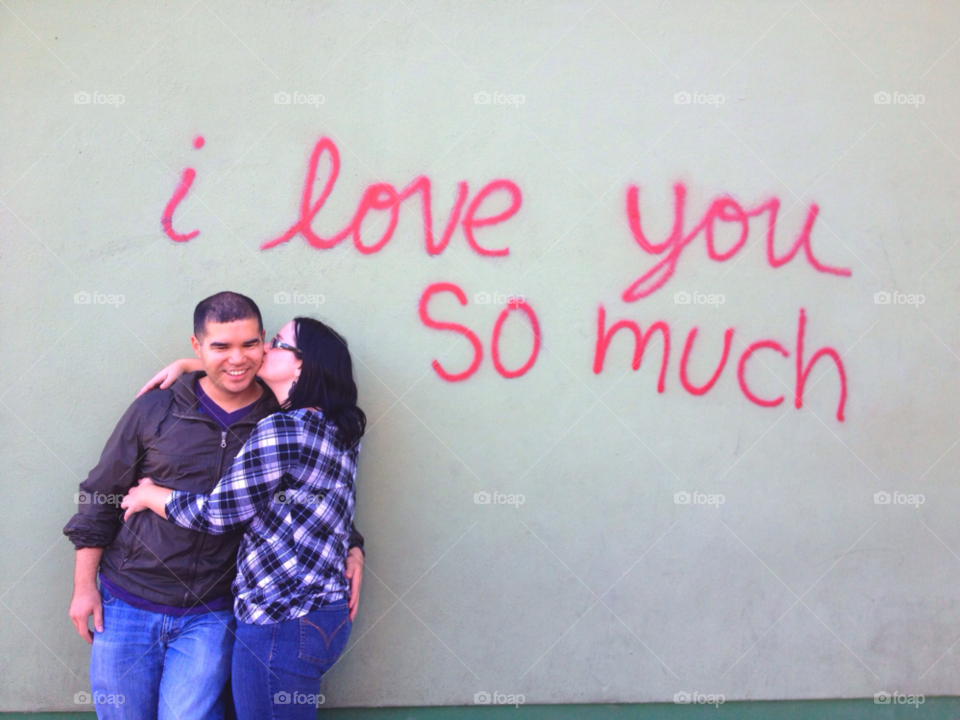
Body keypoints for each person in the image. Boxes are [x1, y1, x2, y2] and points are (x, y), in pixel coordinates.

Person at [63, 292, 365, 720]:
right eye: (220, 347)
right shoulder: (158, 407)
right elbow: (100, 492)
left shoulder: (277, 419)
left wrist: (353, 546)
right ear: (197, 347)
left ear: (267, 347)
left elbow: (286, 501)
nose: (239, 358)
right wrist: (83, 586)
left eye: (256, 345)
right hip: (129, 601)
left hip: (217, 611)